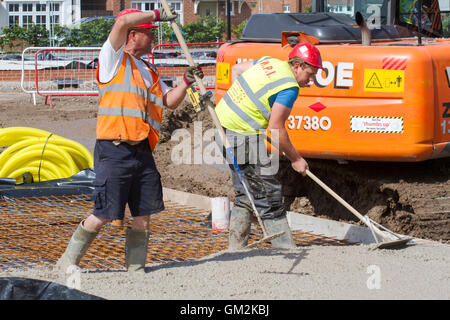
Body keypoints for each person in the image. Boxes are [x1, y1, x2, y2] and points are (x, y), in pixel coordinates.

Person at [56, 7, 204, 272]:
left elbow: (169, 101)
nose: (154, 39)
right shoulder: (113, 58)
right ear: (133, 35)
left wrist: (185, 82)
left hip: (142, 151)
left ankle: (135, 269)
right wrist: (158, 15)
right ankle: (67, 261)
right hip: (114, 148)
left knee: (143, 213)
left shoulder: (148, 70)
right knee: (103, 213)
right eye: (149, 33)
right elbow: (122, 20)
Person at [215, 42, 323, 249]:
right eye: (310, 74)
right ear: (298, 66)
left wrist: (241, 103)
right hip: (242, 136)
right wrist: (296, 159)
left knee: (246, 189)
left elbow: (236, 70)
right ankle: (286, 249)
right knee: (268, 192)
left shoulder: (269, 62)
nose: (311, 80)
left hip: (221, 128)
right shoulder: (289, 87)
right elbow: (276, 129)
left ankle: (236, 248)